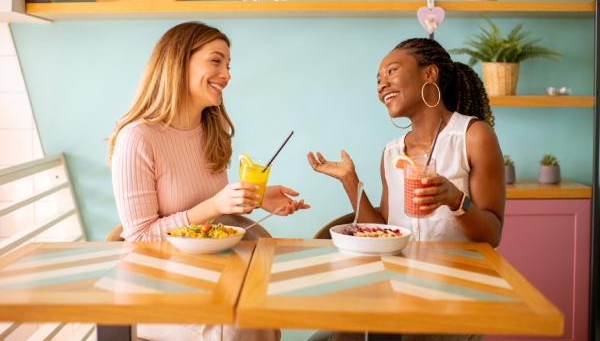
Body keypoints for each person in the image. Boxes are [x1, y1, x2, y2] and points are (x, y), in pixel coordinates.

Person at [107, 21, 309, 341]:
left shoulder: (210, 131)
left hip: (208, 273)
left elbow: (209, 214)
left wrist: (256, 198)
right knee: (241, 325)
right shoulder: (138, 137)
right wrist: (216, 204)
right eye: (215, 61)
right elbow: (140, 237)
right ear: (177, 62)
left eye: (228, 65)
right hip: (155, 285)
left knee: (261, 311)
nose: (226, 74)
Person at [307, 38, 505, 341]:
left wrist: (455, 200)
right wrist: (351, 181)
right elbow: (385, 229)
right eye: (377, 80)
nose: (381, 85)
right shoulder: (392, 152)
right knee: (342, 331)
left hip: (454, 294)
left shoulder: (473, 136)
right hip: (399, 290)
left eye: (391, 71)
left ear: (430, 74)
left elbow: (492, 234)